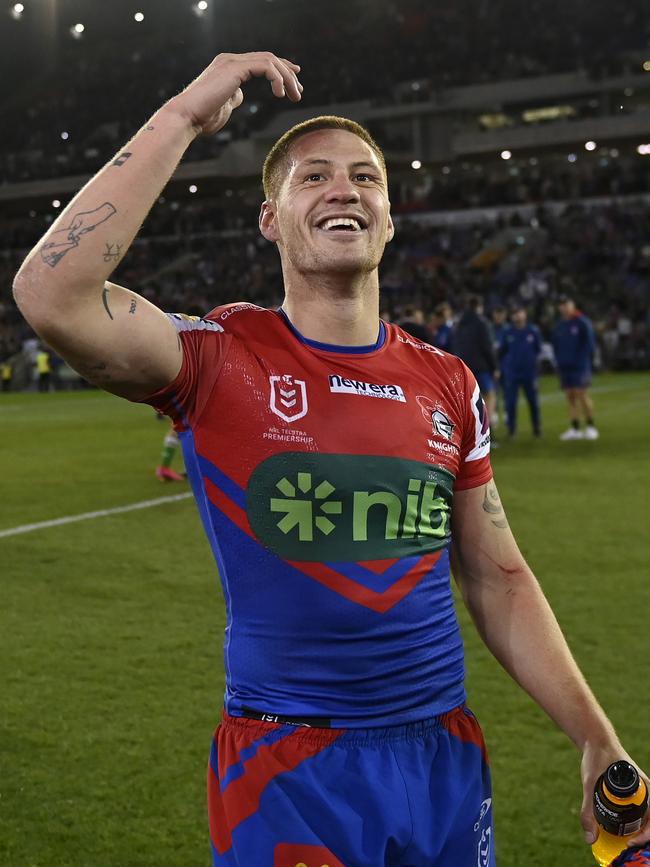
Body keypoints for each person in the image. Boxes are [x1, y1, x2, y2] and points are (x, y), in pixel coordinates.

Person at [12, 51, 649, 866]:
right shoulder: (220, 355)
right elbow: (51, 295)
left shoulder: (448, 382)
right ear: (270, 219)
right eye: (312, 178)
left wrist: (596, 737)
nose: (345, 188)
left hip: (442, 759)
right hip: (288, 771)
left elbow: (499, 578)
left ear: (389, 217)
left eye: (366, 178)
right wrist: (180, 118)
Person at [452, 295, 500, 436]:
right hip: (481, 367)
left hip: (464, 367)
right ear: (479, 306)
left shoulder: (459, 323)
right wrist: (494, 366)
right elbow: (487, 347)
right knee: (489, 396)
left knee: (469, 401)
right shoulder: (481, 323)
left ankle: (467, 434)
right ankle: (486, 432)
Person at [552, 295, 598, 440]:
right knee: (570, 397)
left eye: (566, 303)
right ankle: (575, 428)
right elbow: (556, 346)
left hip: (580, 366)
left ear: (573, 304)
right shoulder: (559, 325)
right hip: (565, 367)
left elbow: (589, 344)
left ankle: (590, 426)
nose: (564, 307)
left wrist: (583, 362)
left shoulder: (582, 322)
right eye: (561, 304)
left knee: (582, 395)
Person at [498, 304, 542, 438]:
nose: (517, 315)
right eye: (515, 313)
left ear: (525, 314)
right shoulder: (507, 332)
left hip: (529, 373)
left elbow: (538, 350)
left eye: (519, 312)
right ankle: (512, 430)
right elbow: (502, 351)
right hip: (512, 373)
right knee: (511, 403)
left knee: (533, 402)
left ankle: (536, 428)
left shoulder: (533, 331)